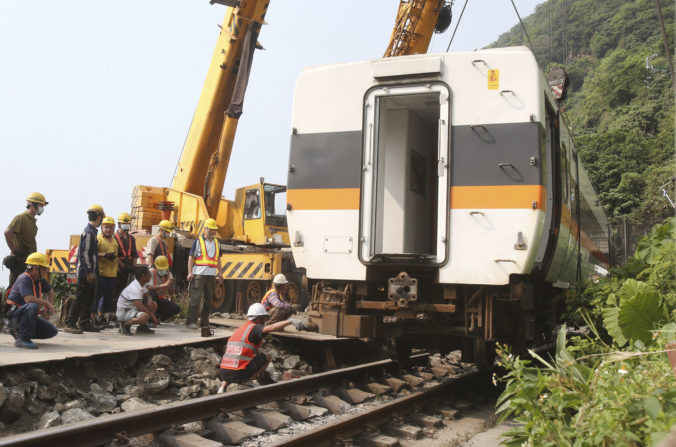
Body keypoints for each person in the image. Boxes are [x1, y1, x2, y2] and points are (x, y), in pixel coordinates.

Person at [217, 303, 305, 393]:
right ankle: (246, 382)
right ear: (259, 318)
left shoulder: (240, 330)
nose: (265, 321)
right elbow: (271, 327)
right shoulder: (254, 328)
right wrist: (290, 321)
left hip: (224, 373)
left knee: (234, 363)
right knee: (267, 357)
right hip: (239, 374)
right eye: (264, 318)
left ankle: (222, 388)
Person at [64, 204, 105, 334]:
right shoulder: (88, 233)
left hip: (90, 272)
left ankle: (84, 322)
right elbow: (85, 254)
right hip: (85, 273)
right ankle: (70, 322)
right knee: (80, 297)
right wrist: (89, 272)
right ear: (99, 217)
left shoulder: (92, 233)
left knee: (89, 297)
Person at [5, 252, 57, 348]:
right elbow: (28, 299)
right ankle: (22, 338)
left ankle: (23, 333)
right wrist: (46, 303)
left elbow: (51, 291)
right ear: (35, 268)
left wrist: (47, 311)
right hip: (13, 317)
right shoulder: (24, 278)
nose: (46, 271)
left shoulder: (39, 280)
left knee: (52, 331)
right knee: (32, 305)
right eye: (44, 268)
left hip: (23, 314)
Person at [3, 192, 48, 288]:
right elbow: (7, 232)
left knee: (26, 289)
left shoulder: (32, 222)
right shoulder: (21, 218)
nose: (42, 208)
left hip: (29, 262)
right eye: (40, 205)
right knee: (13, 289)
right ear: (32, 204)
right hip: (19, 261)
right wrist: (14, 250)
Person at [185, 218, 222, 330]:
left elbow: (218, 260)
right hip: (199, 274)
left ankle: (205, 322)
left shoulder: (217, 243)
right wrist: (190, 272)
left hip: (211, 275)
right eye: (211, 229)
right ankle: (191, 321)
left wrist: (220, 274)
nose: (213, 232)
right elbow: (191, 258)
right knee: (196, 298)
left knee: (208, 300)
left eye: (214, 230)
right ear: (205, 229)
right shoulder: (198, 241)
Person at [116, 266, 158, 335]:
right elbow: (140, 307)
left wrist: (149, 300)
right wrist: (153, 317)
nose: (150, 276)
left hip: (132, 309)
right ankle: (125, 325)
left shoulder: (141, 284)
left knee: (153, 304)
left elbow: (147, 295)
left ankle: (142, 327)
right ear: (143, 276)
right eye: (149, 274)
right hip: (124, 312)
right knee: (144, 316)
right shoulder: (134, 288)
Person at [93, 216, 118, 327]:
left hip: (112, 273)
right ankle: (94, 318)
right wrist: (104, 255)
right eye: (106, 227)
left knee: (108, 297)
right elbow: (92, 254)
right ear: (102, 228)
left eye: (111, 227)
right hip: (101, 273)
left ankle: (102, 317)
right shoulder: (98, 239)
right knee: (98, 296)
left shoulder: (114, 240)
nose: (108, 229)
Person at [146, 256, 180, 322]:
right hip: (151, 300)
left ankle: (159, 318)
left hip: (160, 300)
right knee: (152, 294)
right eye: (160, 269)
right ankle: (150, 319)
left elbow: (171, 293)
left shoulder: (169, 275)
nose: (162, 270)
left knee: (176, 308)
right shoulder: (151, 272)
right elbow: (148, 287)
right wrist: (163, 285)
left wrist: (169, 281)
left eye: (163, 268)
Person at [114, 212, 138, 299]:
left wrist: (133, 267)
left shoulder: (132, 238)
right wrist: (123, 266)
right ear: (119, 224)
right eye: (124, 224)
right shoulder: (114, 238)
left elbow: (135, 254)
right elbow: (115, 255)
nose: (126, 226)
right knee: (118, 288)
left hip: (129, 265)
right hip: (119, 267)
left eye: (128, 224)